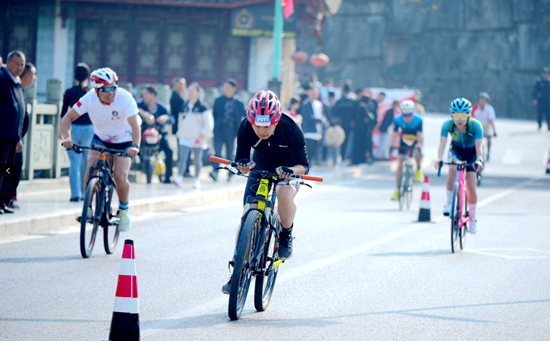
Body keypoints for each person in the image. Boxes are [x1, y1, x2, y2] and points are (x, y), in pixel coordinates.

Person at [221, 90, 309, 294]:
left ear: (276, 120)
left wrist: (290, 172)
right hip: (261, 165)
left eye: (266, 125)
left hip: (289, 168)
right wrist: (242, 165)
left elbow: (304, 165)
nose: (261, 130)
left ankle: (286, 235)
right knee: (248, 213)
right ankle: (237, 272)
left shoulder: (292, 127)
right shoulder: (244, 126)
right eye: (256, 125)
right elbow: (242, 157)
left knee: (283, 191)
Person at [60, 67, 140, 232]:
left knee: (119, 176)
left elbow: (134, 124)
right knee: (90, 167)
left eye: (113, 87)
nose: (111, 92)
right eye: (106, 89)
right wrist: (67, 138)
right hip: (101, 140)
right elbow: (67, 117)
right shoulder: (89, 98)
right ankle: (87, 208)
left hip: (124, 141)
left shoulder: (125, 97)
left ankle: (124, 210)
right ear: (96, 90)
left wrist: (135, 146)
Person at [435, 98, 484, 234]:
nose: (460, 119)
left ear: (469, 115)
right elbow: (443, 142)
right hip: (456, 150)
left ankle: (472, 218)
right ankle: (449, 202)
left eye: (463, 115)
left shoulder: (476, 125)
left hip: (472, 153)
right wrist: (439, 158)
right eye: (456, 115)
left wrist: (479, 159)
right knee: (452, 167)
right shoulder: (447, 125)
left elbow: (479, 146)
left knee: (471, 184)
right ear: (452, 115)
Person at [59, 63, 93, 202]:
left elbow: (63, 114)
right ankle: (86, 193)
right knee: (87, 163)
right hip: (89, 130)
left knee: (73, 163)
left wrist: (62, 131)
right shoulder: (90, 92)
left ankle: (75, 194)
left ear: (74, 76)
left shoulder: (69, 92)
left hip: (72, 129)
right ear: (88, 76)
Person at [3, 62, 35, 210]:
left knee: (12, 169)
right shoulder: (8, 83)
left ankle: (6, 199)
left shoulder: (18, 87)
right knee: (8, 169)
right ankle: (5, 198)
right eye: (34, 75)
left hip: (15, 138)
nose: (35, 78)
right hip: (8, 137)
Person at [0, 51, 27, 214]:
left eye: (22, 65)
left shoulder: (17, 83)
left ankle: (1, 200)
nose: (19, 68)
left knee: (7, 171)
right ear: (8, 62)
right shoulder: (2, 78)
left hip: (13, 137)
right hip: (2, 135)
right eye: (16, 64)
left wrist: (19, 137)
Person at [173, 82, 213, 189]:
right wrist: (179, 133)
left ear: (198, 92)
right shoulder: (184, 105)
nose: (190, 93)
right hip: (185, 136)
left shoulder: (203, 106)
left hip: (198, 137)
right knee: (182, 157)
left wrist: (204, 134)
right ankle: (179, 177)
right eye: (189, 90)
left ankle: (196, 179)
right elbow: (180, 121)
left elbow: (208, 123)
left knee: (197, 159)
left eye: (192, 90)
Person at [210, 78, 245, 182]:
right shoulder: (218, 100)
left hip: (231, 130)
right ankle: (215, 172)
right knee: (217, 151)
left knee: (230, 152)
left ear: (234, 89)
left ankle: (230, 173)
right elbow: (215, 114)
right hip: (219, 130)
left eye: (228, 88)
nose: (226, 89)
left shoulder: (238, 102)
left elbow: (244, 114)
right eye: (225, 87)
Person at [137, 86, 174, 183]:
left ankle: (168, 176)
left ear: (153, 95)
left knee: (169, 151)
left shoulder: (161, 107)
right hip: (142, 133)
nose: (144, 96)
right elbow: (131, 108)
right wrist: (142, 112)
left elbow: (171, 118)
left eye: (146, 94)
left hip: (158, 133)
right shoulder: (140, 105)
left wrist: (165, 118)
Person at [390, 100, 424, 200]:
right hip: (404, 140)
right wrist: (392, 146)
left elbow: (420, 135)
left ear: (413, 112)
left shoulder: (418, 120)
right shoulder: (397, 120)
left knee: (418, 152)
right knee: (399, 163)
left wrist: (419, 145)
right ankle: (397, 190)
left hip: (415, 139)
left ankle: (418, 169)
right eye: (405, 115)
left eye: (409, 115)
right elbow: (395, 134)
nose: (407, 117)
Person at [300, 83, 325, 166]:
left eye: (316, 93)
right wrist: (319, 120)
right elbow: (308, 117)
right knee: (308, 152)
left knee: (315, 151)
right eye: (313, 92)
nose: (314, 94)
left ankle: (311, 167)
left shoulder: (319, 104)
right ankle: (307, 168)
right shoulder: (305, 103)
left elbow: (322, 114)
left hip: (318, 131)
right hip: (309, 132)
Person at [331, 83, 356, 164]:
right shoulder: (353, 102)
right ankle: (344, 158)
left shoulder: (339, 101)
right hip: (349, 124)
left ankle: (335, 158)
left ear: (343, 90)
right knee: (346, 141)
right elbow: (355, 114)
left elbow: (334, 113)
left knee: (337, 141)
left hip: (339, 125)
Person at [471, 92, 497, 161]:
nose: (482, 101)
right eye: (481, 100)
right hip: (476, 127)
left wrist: (494, 131)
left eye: (484, 100)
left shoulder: (489, 109)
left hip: (486, 128)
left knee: (489, 138)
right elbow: (471, 118)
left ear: (486, 101)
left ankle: (488, 151)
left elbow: (491, 121)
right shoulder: (474, 107)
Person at [532, 67, 550, 131]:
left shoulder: (549, 82)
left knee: (548, 114)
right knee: (540, 113)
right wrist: (534, 98)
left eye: (546, 73)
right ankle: (539, 125)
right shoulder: (539, 81)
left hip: (547, 100)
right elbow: (535, 91)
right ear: (542, 74)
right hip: (541, 100)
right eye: (544, 73)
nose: (545, 75)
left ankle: (549, 125)